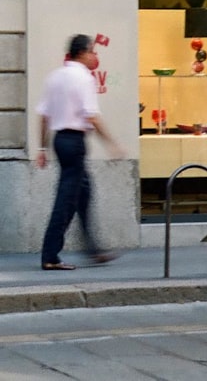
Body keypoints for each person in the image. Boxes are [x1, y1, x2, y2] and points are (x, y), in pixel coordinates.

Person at [36, 34, 123, 271]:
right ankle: (50, 255)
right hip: (74, 142)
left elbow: (44, 116)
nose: (96, 56)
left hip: (59, 141)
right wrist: (111, 143)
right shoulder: (83, 78)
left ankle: (94, 250)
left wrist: (42, 147)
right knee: (66, 200)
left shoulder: (55, 77)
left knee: (82, 193)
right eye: (93, 52)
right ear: (83, 53)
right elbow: (91, 116)